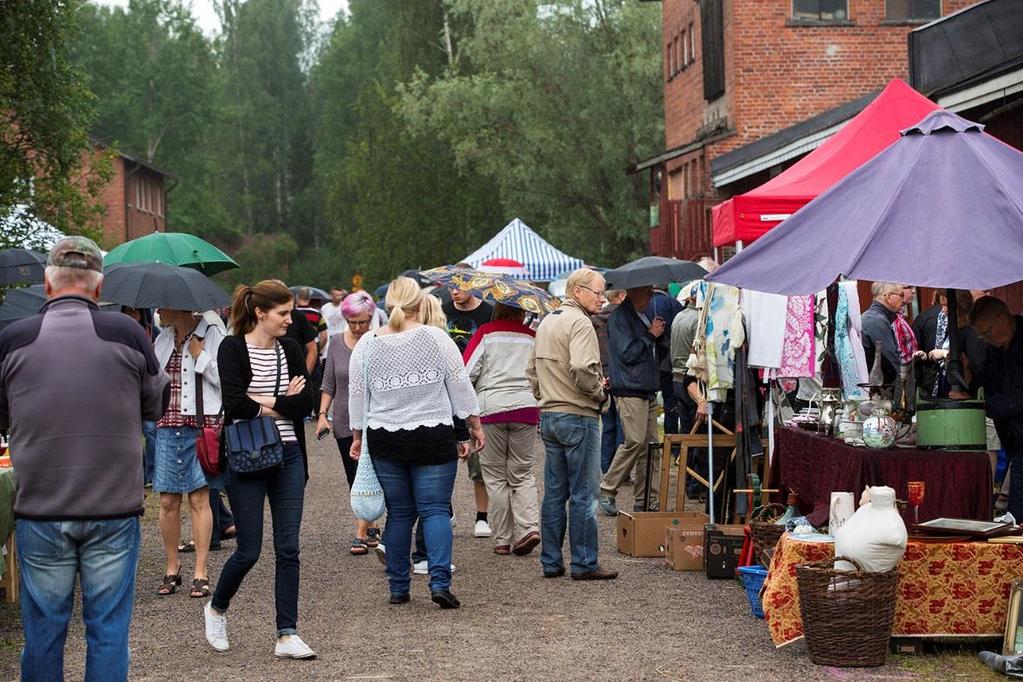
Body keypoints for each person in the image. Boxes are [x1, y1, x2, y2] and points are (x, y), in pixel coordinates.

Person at [0, 236, 170, 680]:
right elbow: (155, 404)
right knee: (108, 631)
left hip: (41, 508)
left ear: (47, 283)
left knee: (42, 634)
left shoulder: (13, 339)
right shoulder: (128, 333)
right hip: (113, 508)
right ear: (99, 288)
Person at [349, 277, 484, 609]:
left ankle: (398, 586)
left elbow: (356, 396)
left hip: (385, 437)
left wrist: (356, 435)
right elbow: (459, 386)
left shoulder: (367, 344)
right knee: (435, 510)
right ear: (420, 303)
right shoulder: (436, 338)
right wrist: (474, 424)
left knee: (399, 514)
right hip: (432, 435)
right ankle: (439, 582)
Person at [206, 280, 315, 658]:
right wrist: (284, 399)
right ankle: (217, 607)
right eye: (283, 313)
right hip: (247, 455)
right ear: (260, 313)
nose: (290, 320)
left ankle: (287, 633)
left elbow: (307, 404)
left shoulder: (291, 348)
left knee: (289, 547)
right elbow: (234, 404)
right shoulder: (232, 347)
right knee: (248, 550)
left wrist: (266, 401)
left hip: (289, 455)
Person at [526, 268, 617, 580]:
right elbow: (581, 365)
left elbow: (532, 370)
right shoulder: (580, 322)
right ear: (578, 291)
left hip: (550, 414)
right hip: (578, 415)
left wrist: (547, 394)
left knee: (554, 493)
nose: (602, 298)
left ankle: (551, 561)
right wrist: (599, 393)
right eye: (598, 292)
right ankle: (585, 562)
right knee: (584, 493)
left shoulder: (548, 320)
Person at [152, 308, 226, 599]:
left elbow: (226, 380)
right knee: (168, 500)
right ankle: (173, 566)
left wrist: (201, 356)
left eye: (162, 304)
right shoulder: (163, 340)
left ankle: (201, 570)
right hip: (167, 424)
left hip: (201, 424)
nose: (157, 310)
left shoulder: (213, 333)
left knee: (199, 498)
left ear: (179, 303)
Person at [464, 303, 541, 556]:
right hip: (526, 409)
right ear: (522, 312)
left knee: (495, 476)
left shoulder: (485, 333)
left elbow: (467, 372)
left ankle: (502, 539)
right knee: (522, 473)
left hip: (491, 410)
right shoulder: (532, 337)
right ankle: (528, 529)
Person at [317, 291, 381, 555]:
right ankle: (372, 523)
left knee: (374, 473)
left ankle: (361, 531)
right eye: (352, 322)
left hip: (375, 418)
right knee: (354, 476)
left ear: (371, 318)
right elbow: (328, 383)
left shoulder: (379, 341)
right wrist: (322, 414)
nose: (357, 327)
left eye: (362, 322)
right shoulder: (335, 343)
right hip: (344, 419)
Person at [598, 285, 664, 516]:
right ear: (633, 292)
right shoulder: (620, 317)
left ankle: (647, 499)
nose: (651, 296)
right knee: (635, 441)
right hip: (629, 387)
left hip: (644, 386)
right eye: (648, 292)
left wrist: (656, 335)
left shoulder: (640, 315)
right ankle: (607, 488)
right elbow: (627, 353)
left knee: (652, 448)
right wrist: (650, 336)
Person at [442, 282, 494, 538]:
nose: (454, 292)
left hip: (476, 389)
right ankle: (445, 510)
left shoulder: (488, 313)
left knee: (478, 458)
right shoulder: (442, 311)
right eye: (451, 287)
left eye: (460, 287)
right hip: (443, 392)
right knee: (442, 454)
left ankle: (482, 517)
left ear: (474, 287)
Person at [968, 297, 1023, 522]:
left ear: (1002, 319)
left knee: (1018, 511)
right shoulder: (996, 350)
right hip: (1013, 436)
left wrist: (983, 406)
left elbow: (1017, 397)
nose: (986, 340)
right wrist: (970, 390)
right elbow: (985, 380)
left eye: (987, 333)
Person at [593, 290, 626, 473]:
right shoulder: (623, 319)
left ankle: (605, 466)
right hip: (619, 374)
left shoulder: (595, 320)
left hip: (602, 374)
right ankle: (620, 470)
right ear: (620, 296)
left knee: (607, 424)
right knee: (622, 424)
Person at [860, 281, 904, 385]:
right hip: (878, 391)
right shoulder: (876, 320)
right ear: (888, 297)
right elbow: (893, 361)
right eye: (901, 295)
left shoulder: (875, 318)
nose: (903, 300)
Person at [320, 286, 349, 353]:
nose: (339, 297)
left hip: (342, 337)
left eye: (340, 295)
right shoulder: (325, 308)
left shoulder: (345, 307)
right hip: (329, 338)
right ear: (331, 296)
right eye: (337, 295)